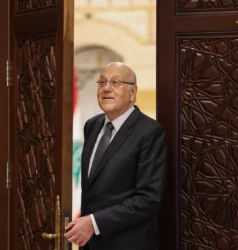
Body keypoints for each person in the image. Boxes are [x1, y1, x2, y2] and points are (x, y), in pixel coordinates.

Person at [64, 62, 167, 250]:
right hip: (90, 243)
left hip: (127, 242)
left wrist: (94, 223)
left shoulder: (149, 132)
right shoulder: (92, 126)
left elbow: (148, 198)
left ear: (133, 92)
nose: (106, 88)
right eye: (101, 82)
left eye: (115, 82)